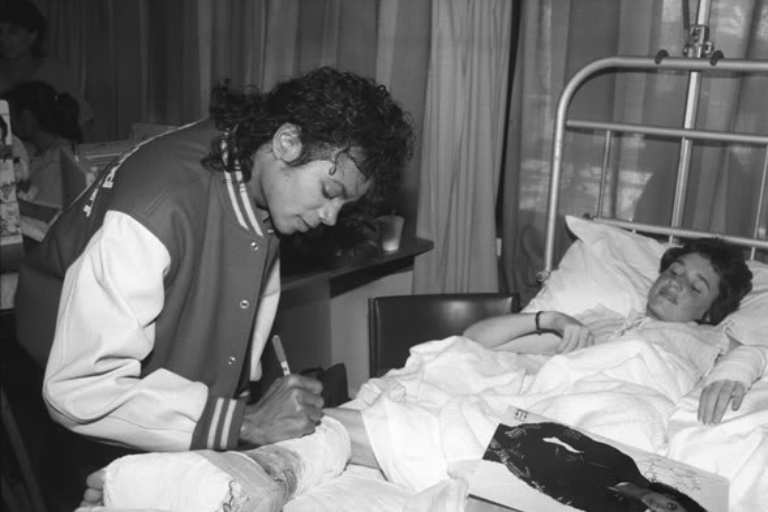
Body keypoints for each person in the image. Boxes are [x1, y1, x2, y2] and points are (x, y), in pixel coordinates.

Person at [15, 66, 414, 462]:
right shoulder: (153, 210)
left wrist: (242, 399)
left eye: (344, 204)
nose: (330, 217)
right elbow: (79, 391)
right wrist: (245, 422)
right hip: (78, 394)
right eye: (329, 191)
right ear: (287, 142)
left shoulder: (257, 166)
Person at [464, 237, 759, 425]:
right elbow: (474, 341)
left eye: (695, 287)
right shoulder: (599, 323)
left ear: (708, 313)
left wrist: (741, 368)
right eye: (673, 272)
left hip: (625, 417)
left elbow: (755, 356)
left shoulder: (708, 339)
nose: (676, 283)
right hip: (558, 408)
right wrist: (551, 319)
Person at [483, 421, 706, 512]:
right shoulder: (622, 465)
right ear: (671, 496)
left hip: (510, 465)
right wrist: (518, 433)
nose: (659, 509)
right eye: (670, 508)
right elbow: (559, 431)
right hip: (516, 439)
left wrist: (504, 457)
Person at [0, 0, 94, 135]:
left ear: (32, 36)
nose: (3, 38)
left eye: (13, 32)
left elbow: (83, 122)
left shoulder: (54, 71)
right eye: (0, 31)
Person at [3, 80, 82, 208]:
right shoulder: (30, 150)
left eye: (10, 119)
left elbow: (50, 214)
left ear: (27, 118)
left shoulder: (59, 159)